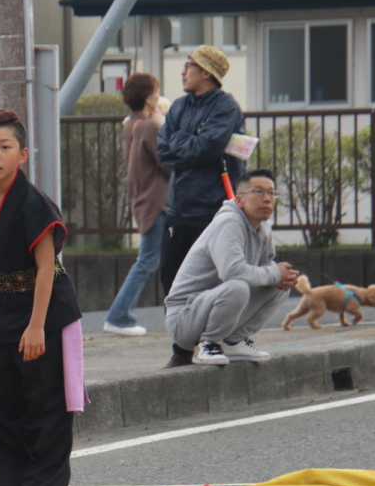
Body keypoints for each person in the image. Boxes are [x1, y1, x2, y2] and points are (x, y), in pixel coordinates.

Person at [0, 109, 84, 486]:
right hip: (0, 307)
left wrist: (36, 327)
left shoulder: (35, 205)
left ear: (22, 155)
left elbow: (47, 266)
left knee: (44, 402)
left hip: (46, 308)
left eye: (5, 147)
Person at [157, 45, 244, 367]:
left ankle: (211, 341)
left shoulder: (226, 107)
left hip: (214, 209)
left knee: (212, 279)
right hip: (179, 208)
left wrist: (181, 141)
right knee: (172, 277)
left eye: (188, 65)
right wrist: (188, 142)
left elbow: (207, 149)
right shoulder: (178, 106)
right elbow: (162, 151)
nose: (183, 71)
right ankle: (181, 346)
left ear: (205, 72)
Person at [164, 169, 298, 366]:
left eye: (271, 193)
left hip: (218, 305)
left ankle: (233, 342)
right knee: (239, 286)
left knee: (279, 287)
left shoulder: (263, 227)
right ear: (239, 199)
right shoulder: (229, 222)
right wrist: (274, 272)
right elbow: (231, 271)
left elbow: (266, 266)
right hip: (185, 317)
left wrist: (280, 275)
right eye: (258, 192)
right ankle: (207, 344)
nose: (267, 199)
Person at [104, 74, 169, 337]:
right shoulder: (148, 127)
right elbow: (168, 163)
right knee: (148, 261)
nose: (158, 96)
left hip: (143, 200)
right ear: (147, 97)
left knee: (152, 260)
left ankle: (121, 315)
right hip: (157, 201)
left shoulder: (130, 124)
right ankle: (118, 316)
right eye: (155, 92)